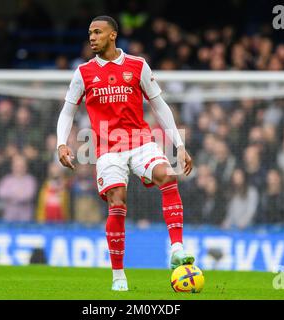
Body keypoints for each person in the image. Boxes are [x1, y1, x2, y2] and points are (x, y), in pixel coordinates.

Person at [56, 16, 194, 291]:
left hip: (141, 141)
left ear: (113, 35)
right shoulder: (83, 72)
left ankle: (177, 248)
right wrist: (61, 143)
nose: (92, 37)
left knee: (167, 175)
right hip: (108, 150)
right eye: (89, 33)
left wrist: (179, 144)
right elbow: (68, 111)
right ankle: (119, 276)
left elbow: (160, 105)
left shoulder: (137, 65)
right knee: (117, 201)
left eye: (97, 32)